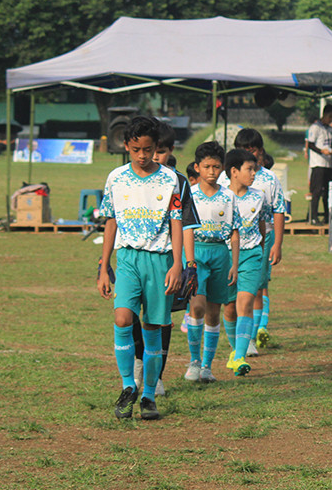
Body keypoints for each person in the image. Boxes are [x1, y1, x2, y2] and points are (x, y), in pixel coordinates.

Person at [96, 116, 184, 421]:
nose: (142, 155)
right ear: (126, 146)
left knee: (151, 329)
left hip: (160, 261)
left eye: (148, 149)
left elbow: (177, 222)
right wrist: (104, 265)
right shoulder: (116, 178)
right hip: (129, 258)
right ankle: (127, 387)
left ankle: (148, 395)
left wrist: (177, 264)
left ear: (157, 147)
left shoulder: (170, 179)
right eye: (136, 149)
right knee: (122, 317)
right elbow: (111, 221)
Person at [130, 121, 200, 395]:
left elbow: (188, 224)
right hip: (135, 259)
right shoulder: (132, 178)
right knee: (130, 313)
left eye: (158, 151)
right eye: (148, 150)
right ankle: (138, 363)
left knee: (162, 319)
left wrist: (188, 265)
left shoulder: (178, 183)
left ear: (170, 151)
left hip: (168, 262)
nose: (151, 156)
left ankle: (156, 375)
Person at [219, 129, 287, 358]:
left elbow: (277, 211)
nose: (249, 155)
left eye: (253, 150)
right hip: (225, 247)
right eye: (244, 150)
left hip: (257, 242)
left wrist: (276, 242)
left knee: (254, 291)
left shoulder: (267, 179)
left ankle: (251, 338)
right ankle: (238, 342)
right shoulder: (222, 181)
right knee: (229, 303)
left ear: (260, 151)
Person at [182, 141, 239, 383]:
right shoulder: (190, 194)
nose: (212, 172)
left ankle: (207, 366)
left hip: (220, 253)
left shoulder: (228, 196)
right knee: (196, 306)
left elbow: (235, 231)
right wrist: (189, 261)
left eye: (216, 167)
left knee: (214, 311)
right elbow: (183, 227)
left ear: (223, 168)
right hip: (195, 251)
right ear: (197, 167)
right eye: (206, 167)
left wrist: (234, 264)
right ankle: (194, 361)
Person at [223, 149, 265, 377]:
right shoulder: (221, 196)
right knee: (229, 309)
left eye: (255, 169)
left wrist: (262, 250)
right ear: (234, 171)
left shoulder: (258, 196)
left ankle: (239, 357)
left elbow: (261, 225)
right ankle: (235, 349)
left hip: (251, 254)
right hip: (225, 256)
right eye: (249, 169)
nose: (253, 174)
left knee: (245, 302)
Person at [307, 105, 332, 225]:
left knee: (327, 192)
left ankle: (326, 216)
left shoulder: (330, 129)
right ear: (324, 114)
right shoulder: (315, 127)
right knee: (317, 191)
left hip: (327, 164)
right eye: (330, 116)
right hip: (317, 164)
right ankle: (314, 217)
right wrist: (321, 151)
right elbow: (310, 144)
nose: (331, 119)